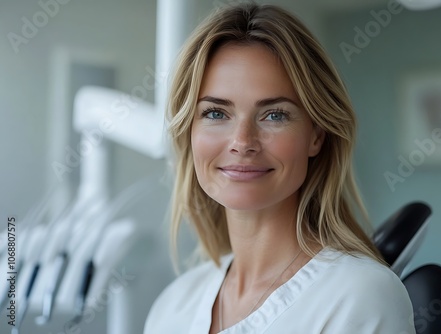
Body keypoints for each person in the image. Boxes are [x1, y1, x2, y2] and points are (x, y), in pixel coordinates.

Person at [144, 2, 415, 334]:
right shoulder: (172, 306)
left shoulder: (360, 297)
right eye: (216, 113)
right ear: (190, 131)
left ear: (316, 135)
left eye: (274, 115)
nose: (243, 142)